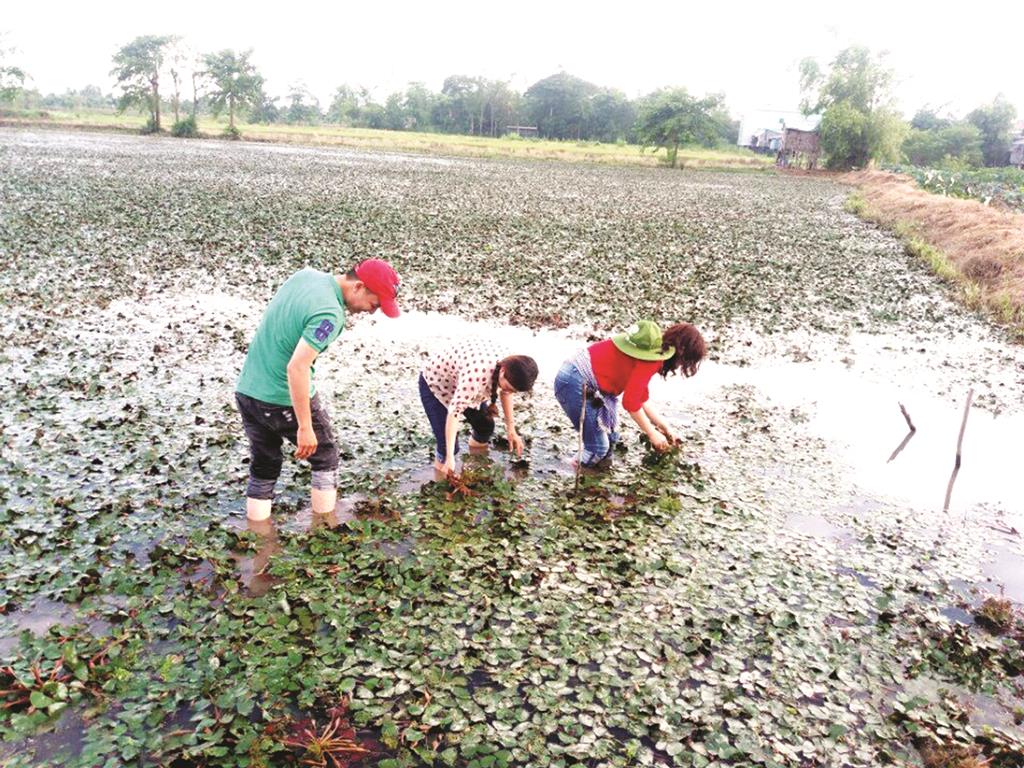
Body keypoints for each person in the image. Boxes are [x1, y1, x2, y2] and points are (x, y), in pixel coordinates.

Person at [235, 259, 401, 521]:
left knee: (265, 463)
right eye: (375, 304)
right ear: (358, 286)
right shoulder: (330, 315)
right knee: (325, 455)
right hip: (280, 397)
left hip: (247, 390)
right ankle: (324, 530)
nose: (373, 312)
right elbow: (297, 368)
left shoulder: (305, 275)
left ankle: (258, 540)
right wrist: (304, 426)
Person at [553, 320, 705, 469]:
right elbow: (630, 403)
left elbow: (641, 398)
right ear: (682, 352)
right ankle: (566, 470)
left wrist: (666, 428)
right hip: (575, 380)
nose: (680, 366)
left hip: (575, 374)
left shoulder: (650, 351)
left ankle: (595, 478)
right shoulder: (651, 357)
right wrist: (652, 433)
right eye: (685, 362)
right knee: (598, 448)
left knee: (611, 439)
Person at [419, 341, 538, 476]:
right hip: (437, 384)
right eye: (509, 387)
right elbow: (454, 412)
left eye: (514, 391)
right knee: (448, 450)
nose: (510, 391)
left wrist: (511, 429)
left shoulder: (512, 366)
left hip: (464, 381)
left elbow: (506, 392)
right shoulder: (475, 378)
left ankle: (476, 460)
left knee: (485, 427)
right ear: (502, 371)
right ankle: (442, 477)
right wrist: (451, 458)